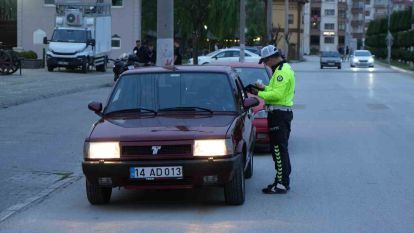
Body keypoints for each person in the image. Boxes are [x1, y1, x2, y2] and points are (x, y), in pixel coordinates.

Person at [248, 45, 296, 194]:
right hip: (279, 114)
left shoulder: (282, 72)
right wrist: (262, 89)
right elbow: (274, 91)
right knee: (278, 150)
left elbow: (277, 96)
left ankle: (282, 183)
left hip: (279, 115)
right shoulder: (280, 69)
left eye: (265, 61)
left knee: (279, 150)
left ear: (272, 58)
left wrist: (258, 94)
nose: (265, 64)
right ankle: (280, 180)